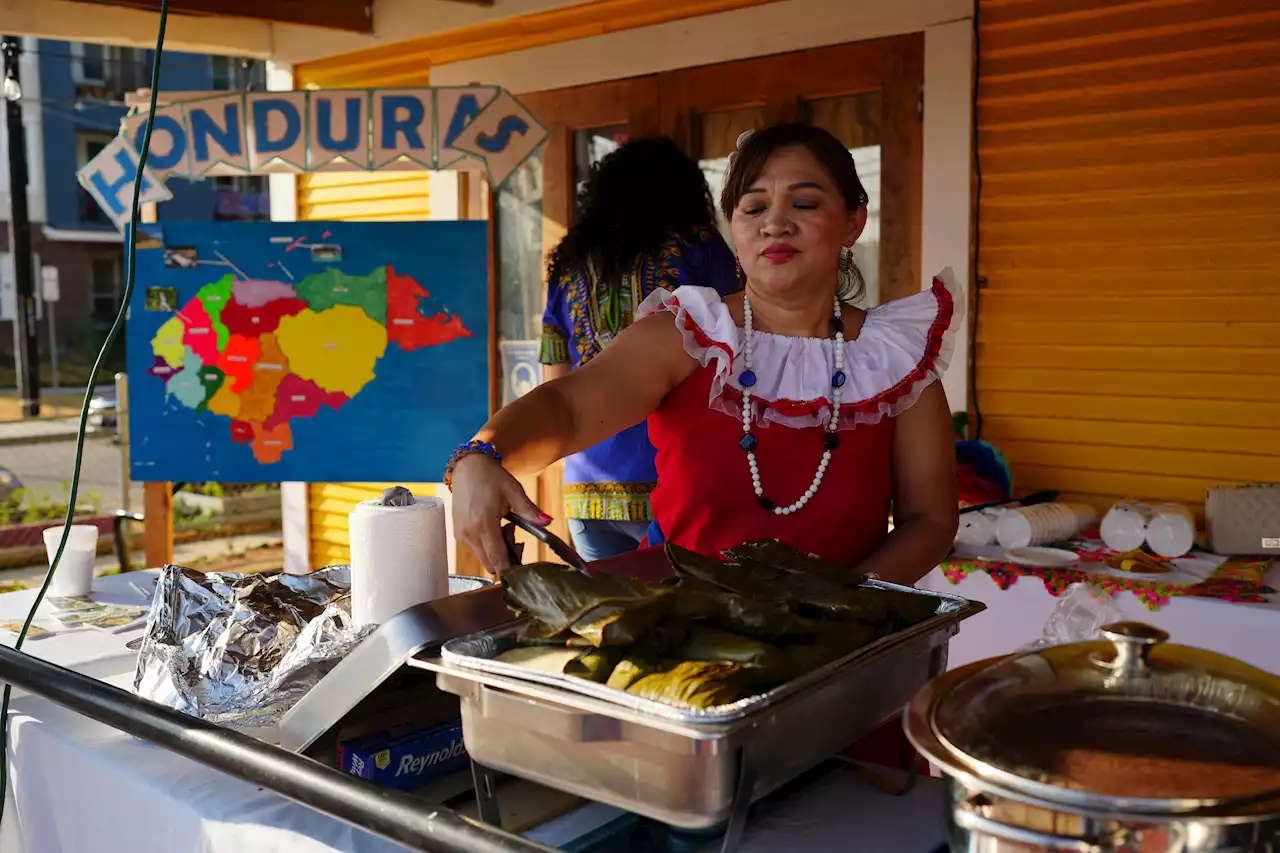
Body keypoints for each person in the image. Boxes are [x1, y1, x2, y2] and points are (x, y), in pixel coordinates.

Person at [449, 122, 959, 583]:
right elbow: (568, 405)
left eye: (804, 203)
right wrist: (481, 455)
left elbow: (929, 520)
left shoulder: (898, 356)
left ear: (853, 222)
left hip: (842, 650)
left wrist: (843, 607)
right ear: (733, 230)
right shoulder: (685, 335)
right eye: (754, 207)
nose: (774, 223)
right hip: (685, 640)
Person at [536, 136, 740, 562]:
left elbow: (555, 381)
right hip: (674, 476)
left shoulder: (569, 266)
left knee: (611, 619)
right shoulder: (699, 249)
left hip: (586, 485)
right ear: (683, 191)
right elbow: (741, 349)